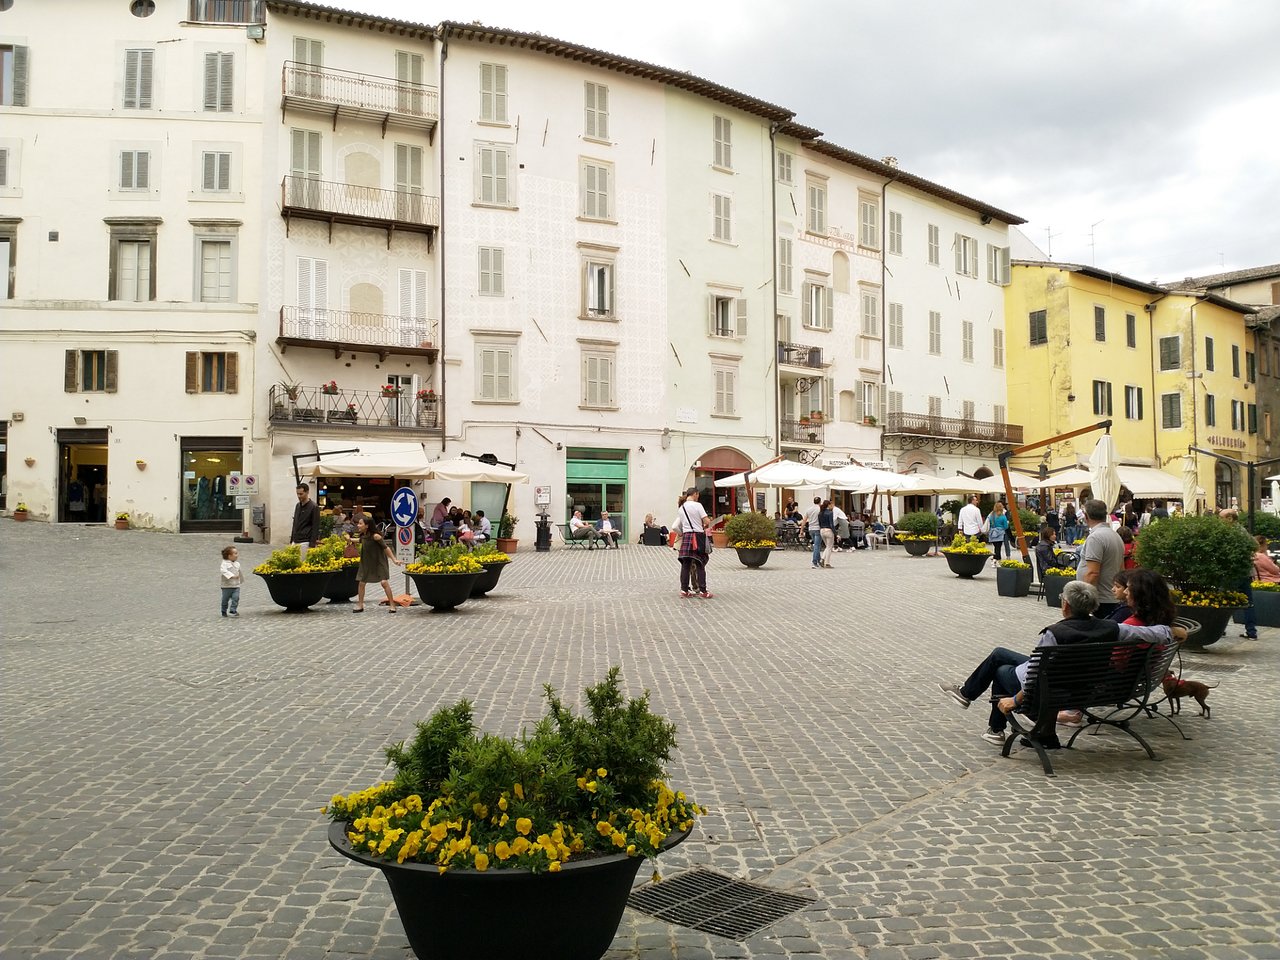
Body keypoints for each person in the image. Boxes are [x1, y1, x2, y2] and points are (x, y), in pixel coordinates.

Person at [937, 581, 1175, 746]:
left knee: (1000, 670)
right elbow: (1161, 633)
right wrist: (1174, 631)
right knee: (1000, 654)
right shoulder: (1115, 629)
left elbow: (1035, 676)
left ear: (1066, 606)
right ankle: (969, 698)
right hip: (1084, 687)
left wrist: (1017, 700)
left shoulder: (1055, 634)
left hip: (1052, 688)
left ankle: (994, 728)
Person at [1075, 499, 1125, 618]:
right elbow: (1122, 568)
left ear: (1086, 516)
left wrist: (1082, 599)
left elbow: (1093, 572)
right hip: (1110, 597)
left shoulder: (1096, 537)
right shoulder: (1115, 535)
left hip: (1100, 599)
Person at [349, 514, 402, 613]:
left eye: (360, 524)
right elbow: (359, 540)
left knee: (384, 582)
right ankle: (360, 604)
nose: (358, 526)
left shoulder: (376, 536)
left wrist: (394, 560)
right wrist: (349, 539)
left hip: (379, 562)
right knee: (361, 583)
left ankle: (392, 605)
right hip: (367, 563)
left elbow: (386, 548)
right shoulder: (364, 536)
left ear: (367, 525)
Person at [1220, 508, 1257, 639]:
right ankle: (1251, 631)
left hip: (1233, 572)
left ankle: (1219, 629)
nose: (1220, 521)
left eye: (1221, 518)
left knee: (1222, 599)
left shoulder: (1231, 532)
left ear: (1230, 518)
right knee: (1248, 603)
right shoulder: (1243, 530)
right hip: (1245, 571)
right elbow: (1255, 544)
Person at [672, 487, 712, 598]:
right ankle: (703, 591)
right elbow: (706, 521)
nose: (698, 497)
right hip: (697, 536)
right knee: (700, 563)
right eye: (697, 495)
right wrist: (707, 522)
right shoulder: (698, 506)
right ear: (695, 494)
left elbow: (676, 526)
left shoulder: (682, 508)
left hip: (686, 536)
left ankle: (684, 590)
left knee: (686, 565)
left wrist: (681, 533)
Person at [290, 482, 320, 561]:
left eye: (301, 494)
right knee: (293, 562)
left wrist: (312, 544)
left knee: (302, 564)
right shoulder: (298, 506)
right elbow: (295, 523)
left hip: (305, 541)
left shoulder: (314, 507)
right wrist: (292, 539)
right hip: (296, 540)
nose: (299, 496)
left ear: (307, 492)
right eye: (297, 494)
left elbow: (315, 526)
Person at [219, 545, 242, 618]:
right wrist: (232, 576)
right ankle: (223, 610)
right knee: (225, 599)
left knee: (236, 598)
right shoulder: (224, 564)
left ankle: (233, 609)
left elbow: (239, 572)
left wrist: (240, 579)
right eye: (235, 553)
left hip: (236, 585)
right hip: (226, 586)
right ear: (229, 556)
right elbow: (223, 571)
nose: (237, 555)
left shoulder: (237, 564)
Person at [802, 496, 823, 568]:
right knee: (817, 546)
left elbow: (804, 520)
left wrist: (801, 530)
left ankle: (819, 560)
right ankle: (814, 562)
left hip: (810, 529)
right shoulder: (820, 509)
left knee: (816, 545)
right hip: (818, 528)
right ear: (820, 502)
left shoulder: (809, 509)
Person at [817, 499, 836, 568]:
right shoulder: (830, 513)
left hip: (822, 530)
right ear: (828, 505)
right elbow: (831, 524)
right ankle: (827, 562)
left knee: (827, 546)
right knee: (829, 547)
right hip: (828, 530)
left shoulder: (820, 513)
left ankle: (822, 559)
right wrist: (835, 532)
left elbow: (819, 523)